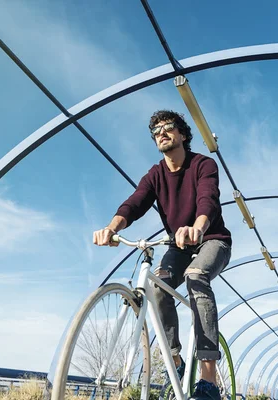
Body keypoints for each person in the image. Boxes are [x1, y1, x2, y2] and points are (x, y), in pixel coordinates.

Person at [93, 110, 232, 400]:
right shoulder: (155, 174)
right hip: (177, 246)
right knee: (156, 286)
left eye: (168, 128)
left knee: (196, 276)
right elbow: (135, 203)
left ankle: (208, 381)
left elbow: (208, 198)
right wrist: (110, 228)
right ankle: (176, 360)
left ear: (182, 134)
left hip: (211, 240)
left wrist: (197, 227)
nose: (162, 133)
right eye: (156, 131)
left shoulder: (203, 165)